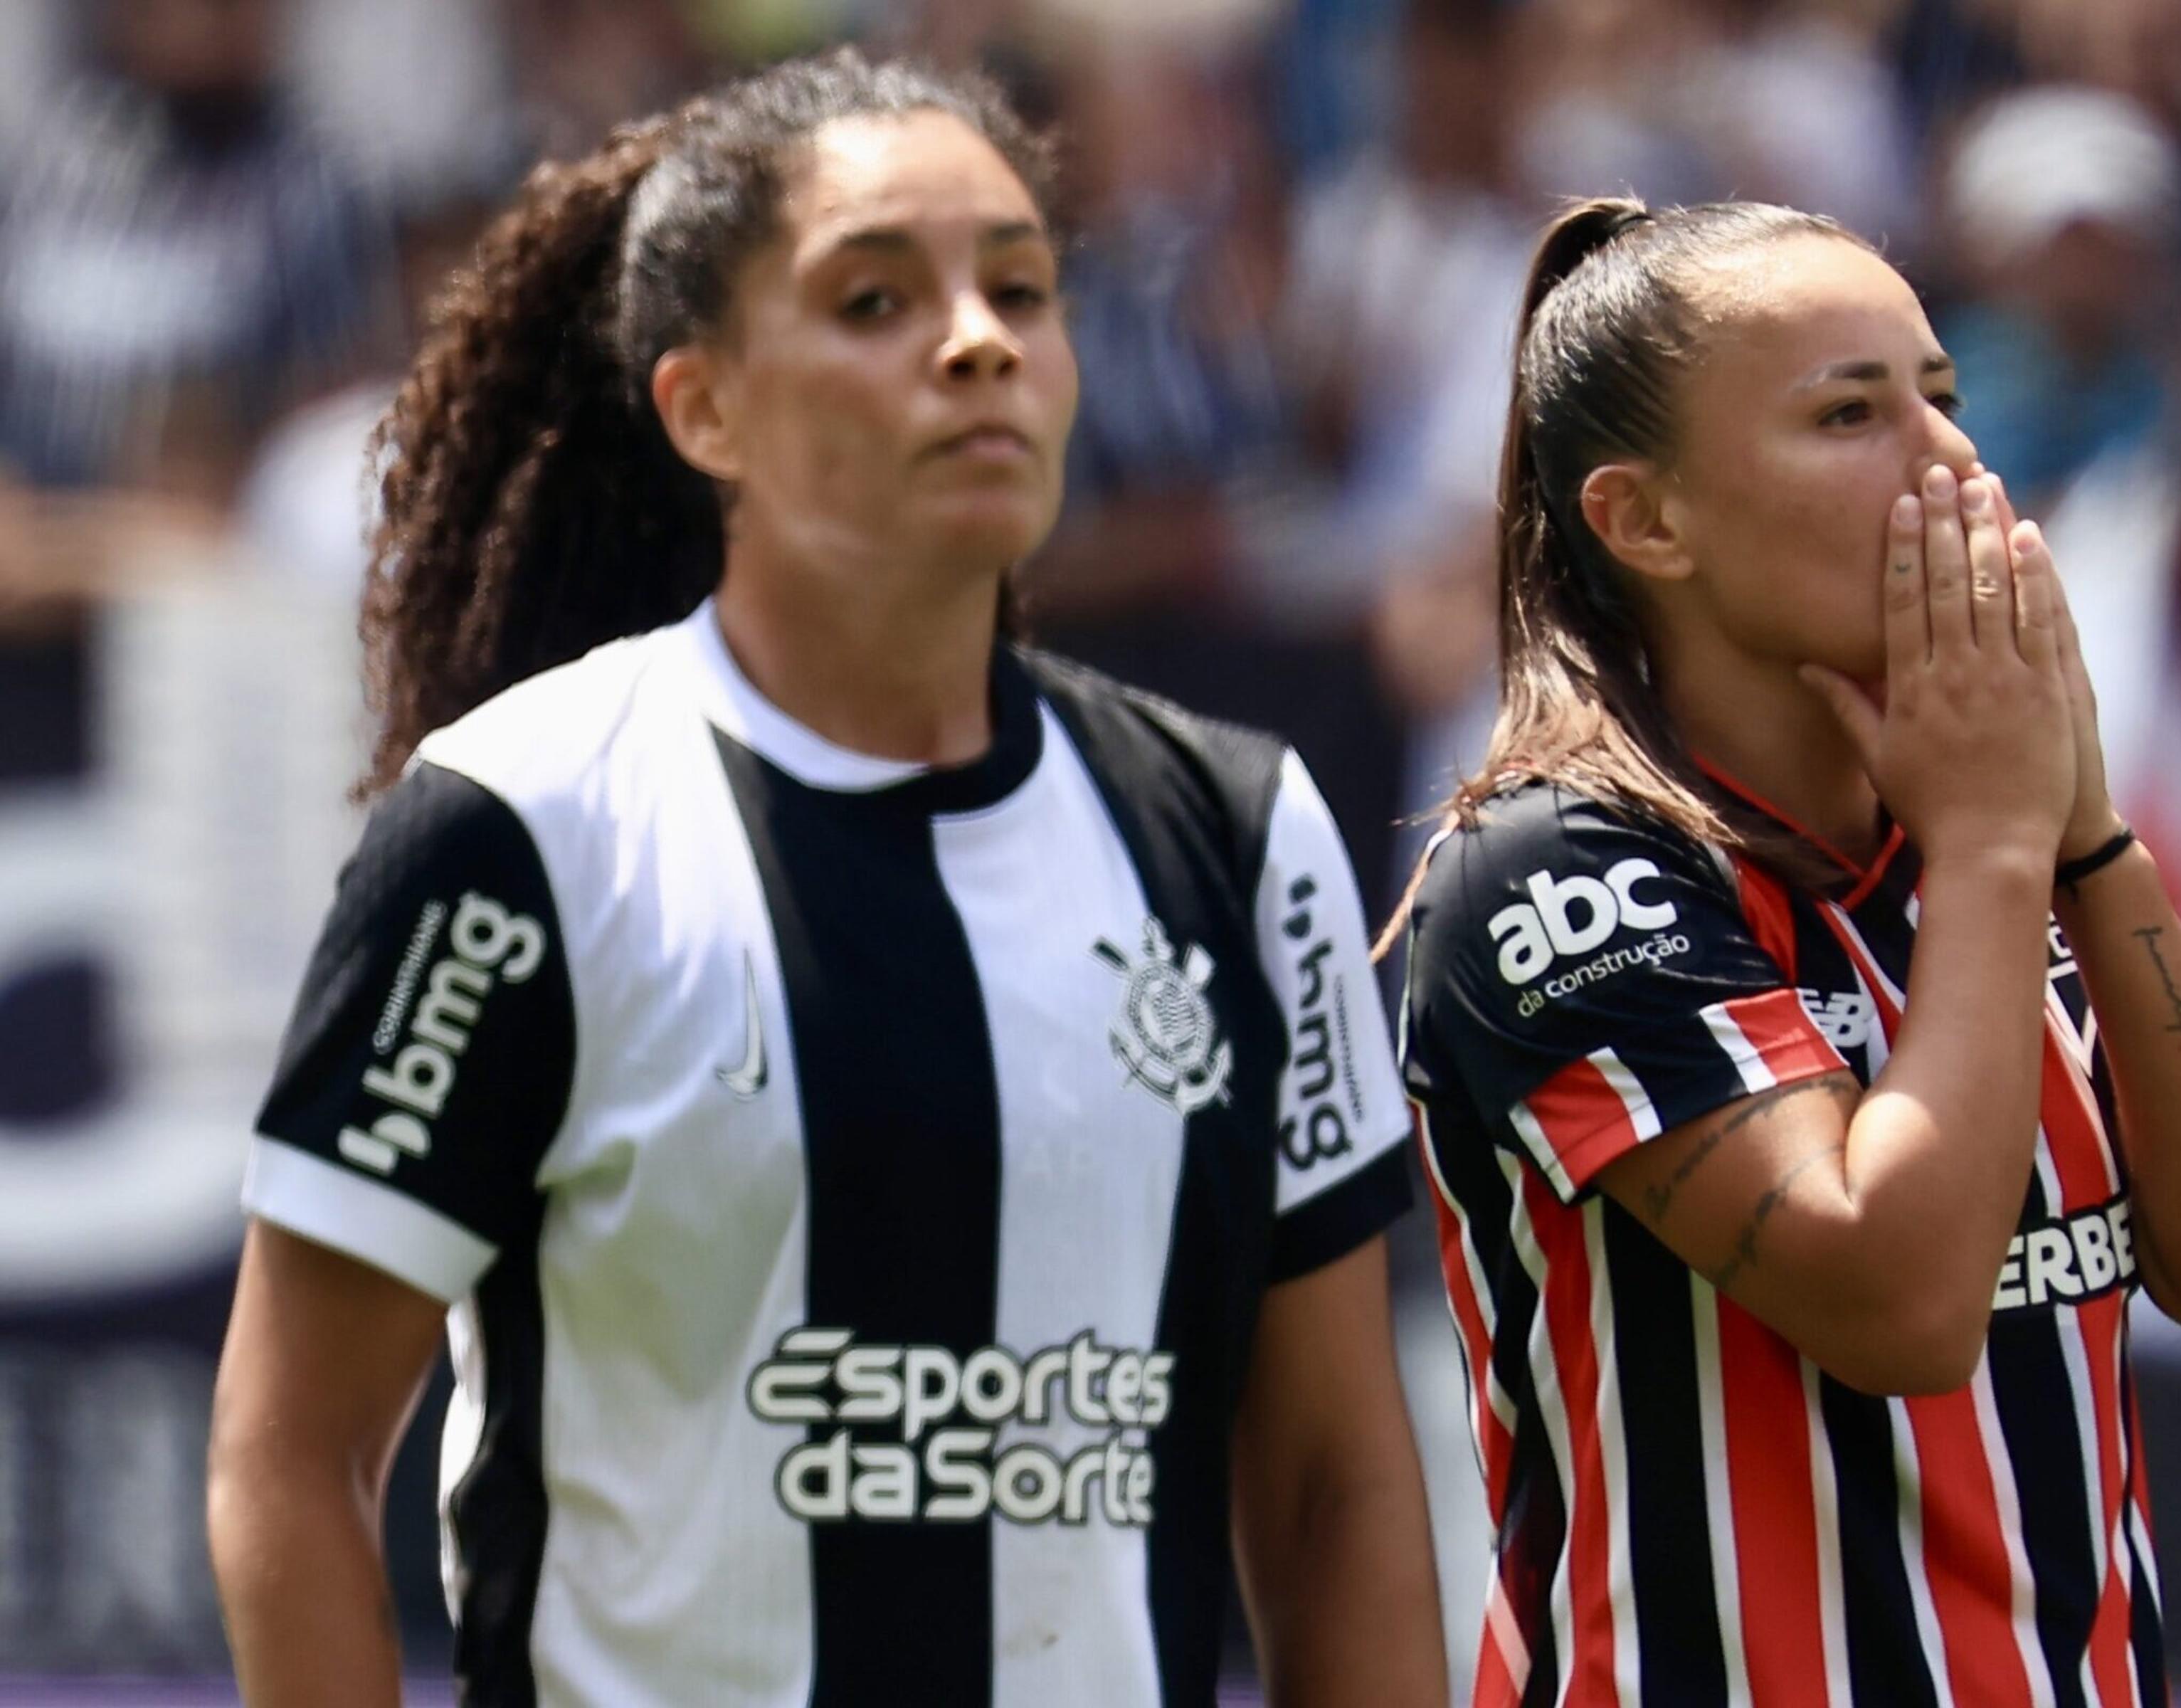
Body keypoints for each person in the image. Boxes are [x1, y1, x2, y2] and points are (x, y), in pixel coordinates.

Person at [205, 50, 1449, 1708]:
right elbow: (286, 1460)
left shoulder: (1242, 833)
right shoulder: (518, 825)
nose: (978, 340)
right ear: (703, 405)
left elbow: (1331, 1489)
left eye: (1022, 286)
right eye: (874, 300)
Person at [1394, 198, 2181, 1705]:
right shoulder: (1559, 876)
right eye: (1851, 414)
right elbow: (1900, 1301)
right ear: (1646, 522)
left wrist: (2086, 840)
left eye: (1945, 397)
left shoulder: (1980, 846)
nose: (1953, 462)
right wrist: (1994, 849)